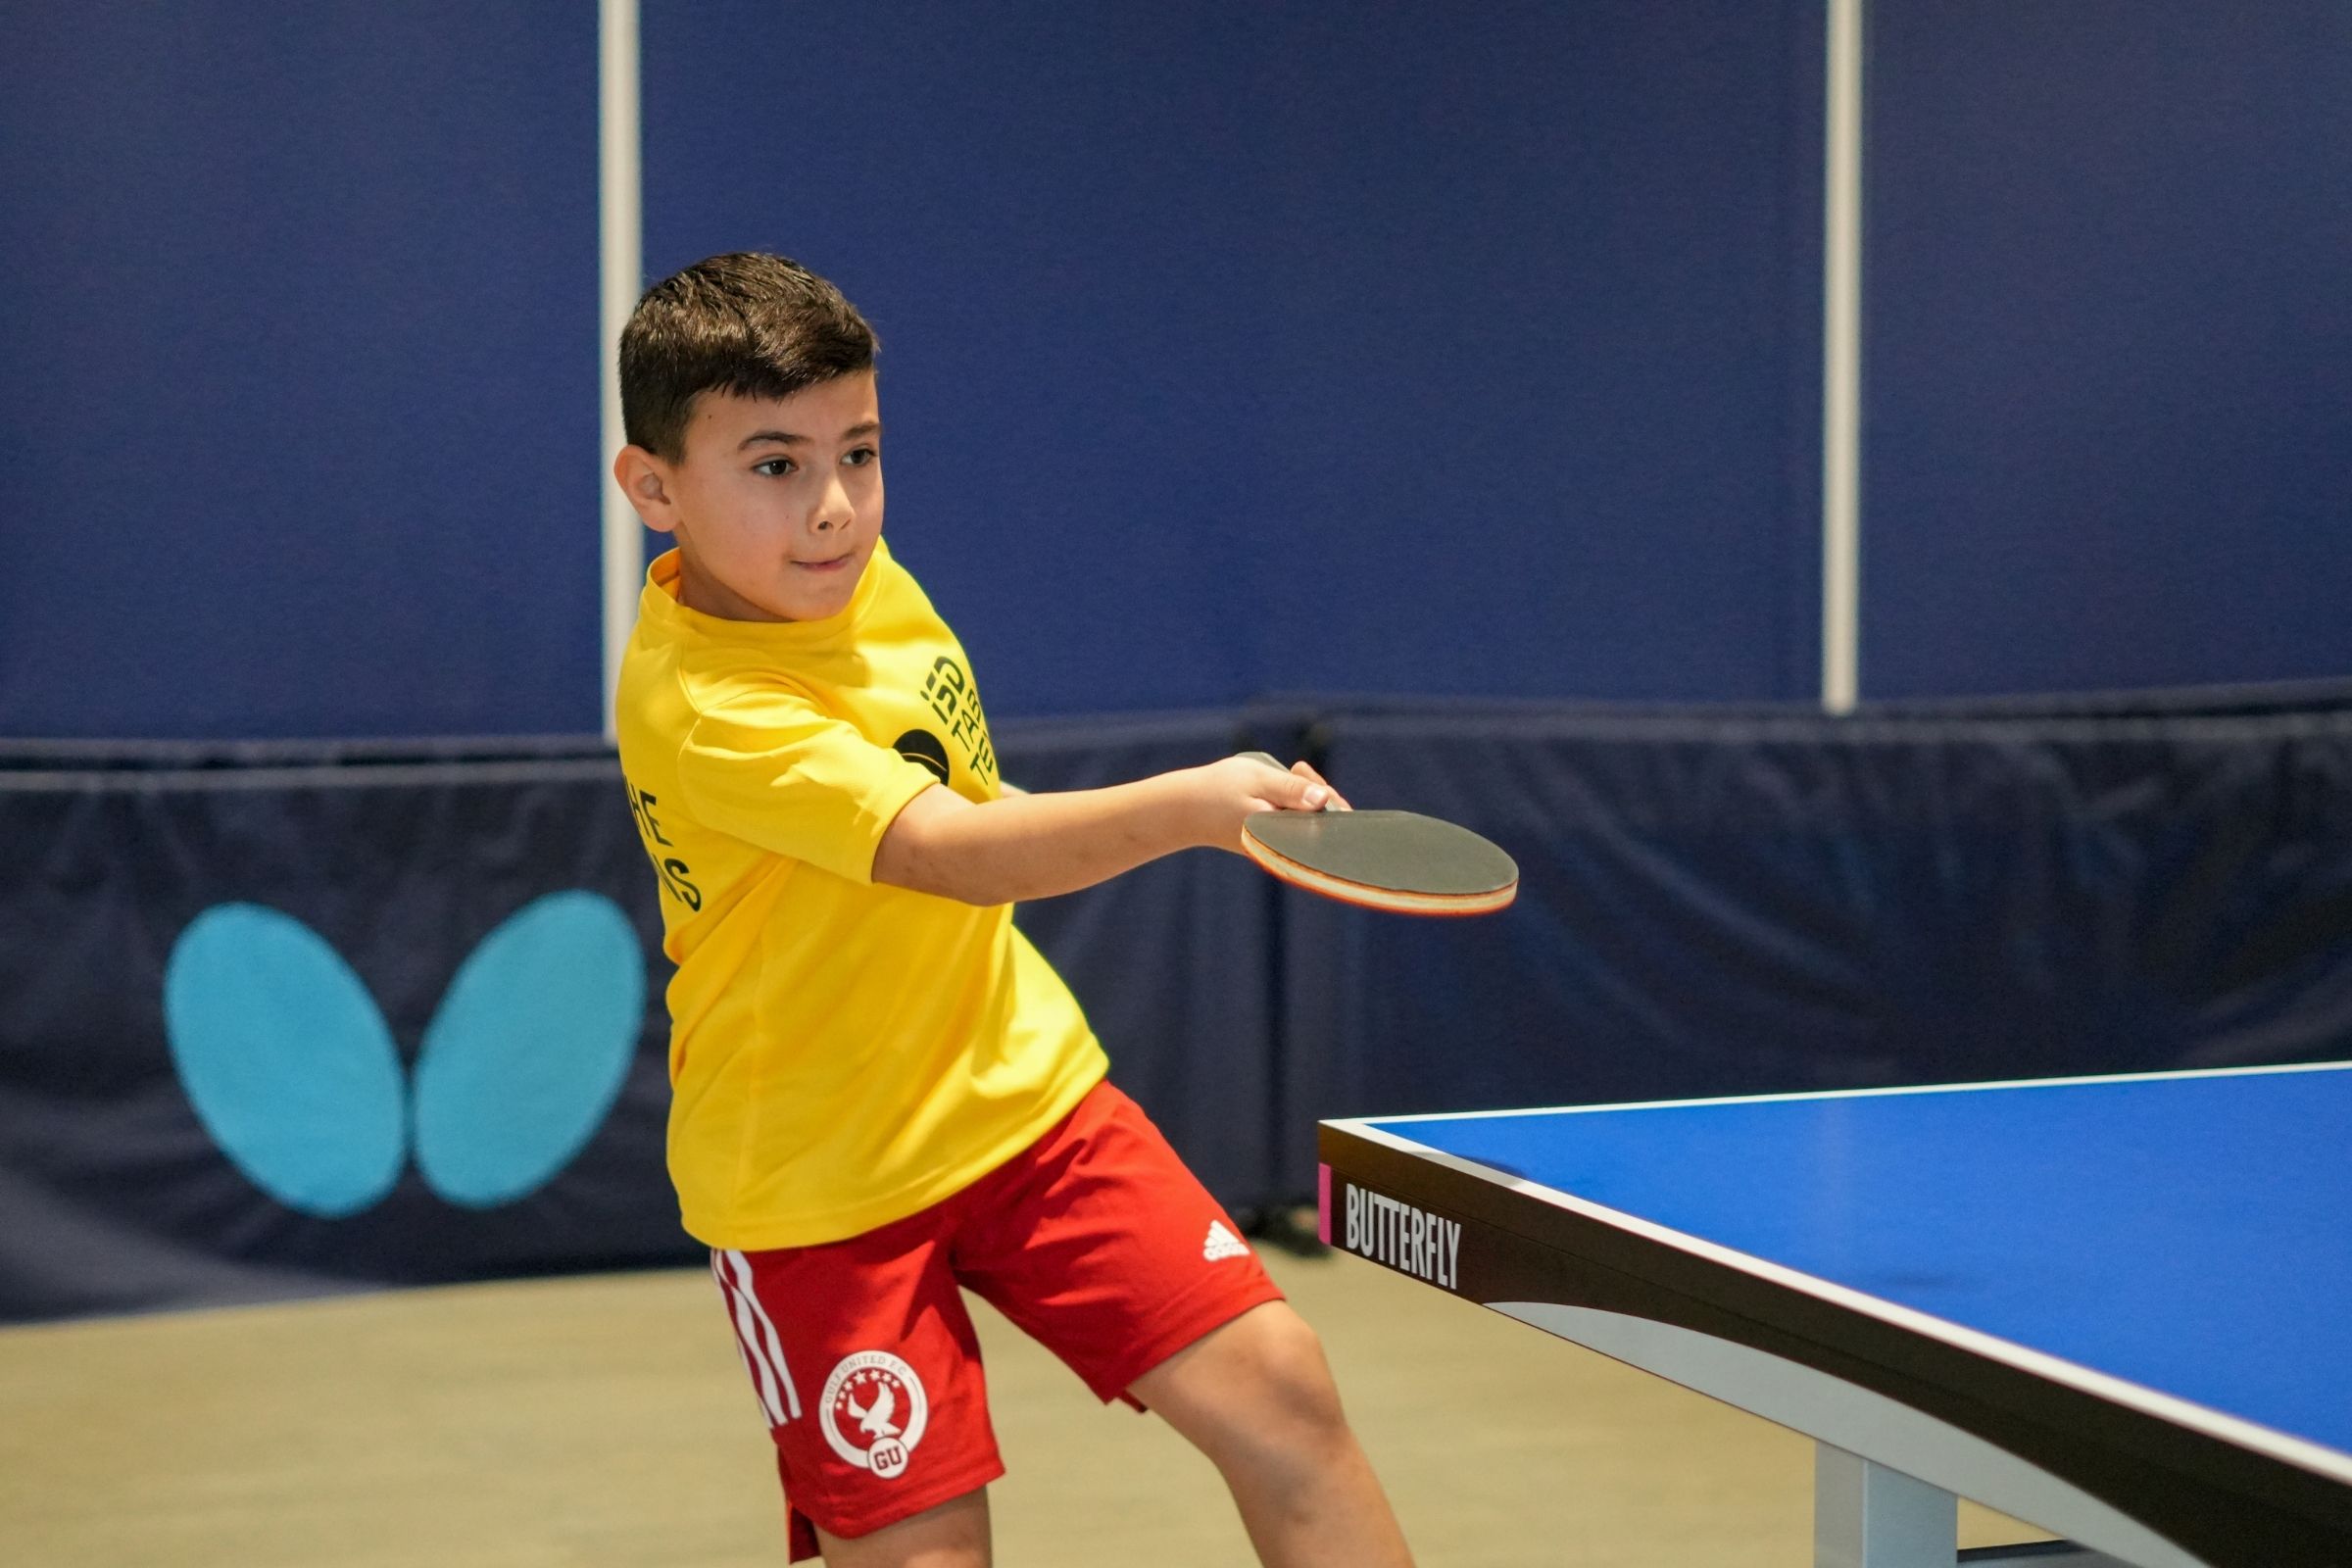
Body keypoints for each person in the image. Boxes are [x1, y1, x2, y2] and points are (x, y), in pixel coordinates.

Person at [611, 252, 1414, 1568]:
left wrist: (1205, 806)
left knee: (1283, 1394)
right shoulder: (711, 710)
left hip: (1021, 1104)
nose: (833, 508)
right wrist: (1200, 807)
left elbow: (963, 792)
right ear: (653, 488)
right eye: (773, 465)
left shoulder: (857, 580)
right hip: (819, 1183)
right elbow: (953, 851)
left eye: (858, 453)